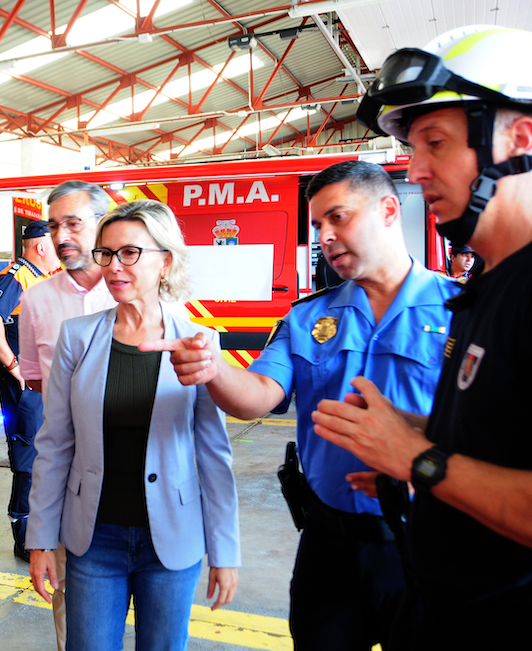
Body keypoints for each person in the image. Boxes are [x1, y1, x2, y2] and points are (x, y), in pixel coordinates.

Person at [143, 160, 461, 650]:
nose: (325, 236)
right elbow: (258, 398)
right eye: (317, 225)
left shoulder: (460, 312)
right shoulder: (308, 316)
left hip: (430, 544)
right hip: (328, 547)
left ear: (390, 210)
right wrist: (213, 369)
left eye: (339, 217)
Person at [312, 25, 532, 648]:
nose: (416, 170)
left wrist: (420, 460)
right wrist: (418, 432)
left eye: (435, 142)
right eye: (413, 147)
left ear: (521, 139)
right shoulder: (484, 286)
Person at [27, 199, 240, 651]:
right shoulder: (78, 337)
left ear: (165, 260)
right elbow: (55, 444)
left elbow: (213, 454)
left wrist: (225, 551)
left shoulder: (197, 343)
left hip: (172, 538)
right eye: (106, 253)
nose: (114, 266)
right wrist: (41, 538)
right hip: (93, 538)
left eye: (130, 253)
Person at [17, 180, 118, 651]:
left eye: (73, 223)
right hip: (71, 472)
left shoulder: (134, 290)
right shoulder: (36, 300)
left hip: (139, 470)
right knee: (74, 606)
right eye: (54, 226)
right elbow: (38, 383)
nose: (60, 237)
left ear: (103, 224)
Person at [0, 220, 60, 561]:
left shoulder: (43, 279)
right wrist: (13, 365)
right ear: (41, 247)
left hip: (46, 385)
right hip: (25, 389)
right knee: (28, 459)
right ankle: (24, 537)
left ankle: (45, 529)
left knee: (48, 455)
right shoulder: (14, 277)